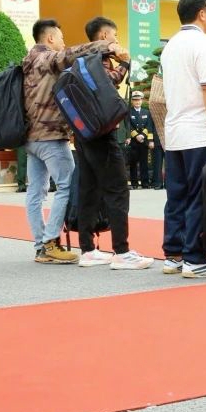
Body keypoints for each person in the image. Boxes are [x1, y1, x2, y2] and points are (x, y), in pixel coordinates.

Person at [22, 18, 132, 266]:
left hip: (30, 138)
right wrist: (106, 47)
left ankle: (41, 245)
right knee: (67, 186)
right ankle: (50, 242)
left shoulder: (27, 61)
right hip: (51, 135)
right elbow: (73, 53)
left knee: (35, 192)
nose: (63, 43)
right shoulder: (48, 58)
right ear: (50, 39)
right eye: (60, 38)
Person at [159, 0, 206, 278]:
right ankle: (195, 259)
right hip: (198, 132)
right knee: (199, 196)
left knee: (176, 196)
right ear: (202, 13)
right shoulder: (202, 43)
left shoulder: (171, 45)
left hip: (175, 132)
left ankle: (173, 255)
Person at [75, 16, 153, 268]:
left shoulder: (80, 60)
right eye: (115, 35)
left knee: (88, 188)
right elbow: (109, 83)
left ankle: (87, 249)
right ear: (104, 36)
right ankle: (122, 251)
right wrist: (126, 63)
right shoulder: (100, 59)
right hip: (102, 134)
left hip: (84, 133)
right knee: (118, 188)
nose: (117, 40)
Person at [126, 90, 155, 189]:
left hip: (143, 141)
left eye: (139, 100)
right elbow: (128, 126)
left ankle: (145, 183)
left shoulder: (146, 112)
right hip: (133, 141)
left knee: (144, 163)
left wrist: (143, 136)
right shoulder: (129, 112)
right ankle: (134, 183)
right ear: (132, 101)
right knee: (133, 163)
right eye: (135, 100)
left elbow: (149, 126)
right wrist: (136, 135)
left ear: (142, 101)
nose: (137, 102)